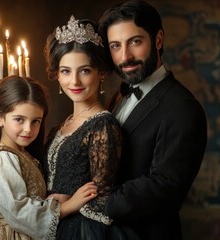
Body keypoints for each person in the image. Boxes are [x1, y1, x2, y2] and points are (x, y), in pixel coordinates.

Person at [98, 1, 208, 240]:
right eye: (115, 46)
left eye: (135, 42)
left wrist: (97, 203)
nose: (125, 56)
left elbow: (165, 184)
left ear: (158, 40)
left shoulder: (182, 107)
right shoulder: (119, 95)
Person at [43, 15, 139, 240]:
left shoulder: (103, 126)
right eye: (66, 71)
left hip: (82, 230)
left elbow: (105, 195)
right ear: (57, 74)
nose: (74, 81)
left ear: (101, 72)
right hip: (52, 225)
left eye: (84, 70)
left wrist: (71, 204)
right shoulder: (59, 127)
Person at [0, 76, 98, 240]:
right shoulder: (2, 159)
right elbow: (18, 211)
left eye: (36, 121)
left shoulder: (22, 155)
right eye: (19, 119)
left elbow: (29, 197)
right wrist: (68, 206)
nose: (28, 129)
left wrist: (51, 200)